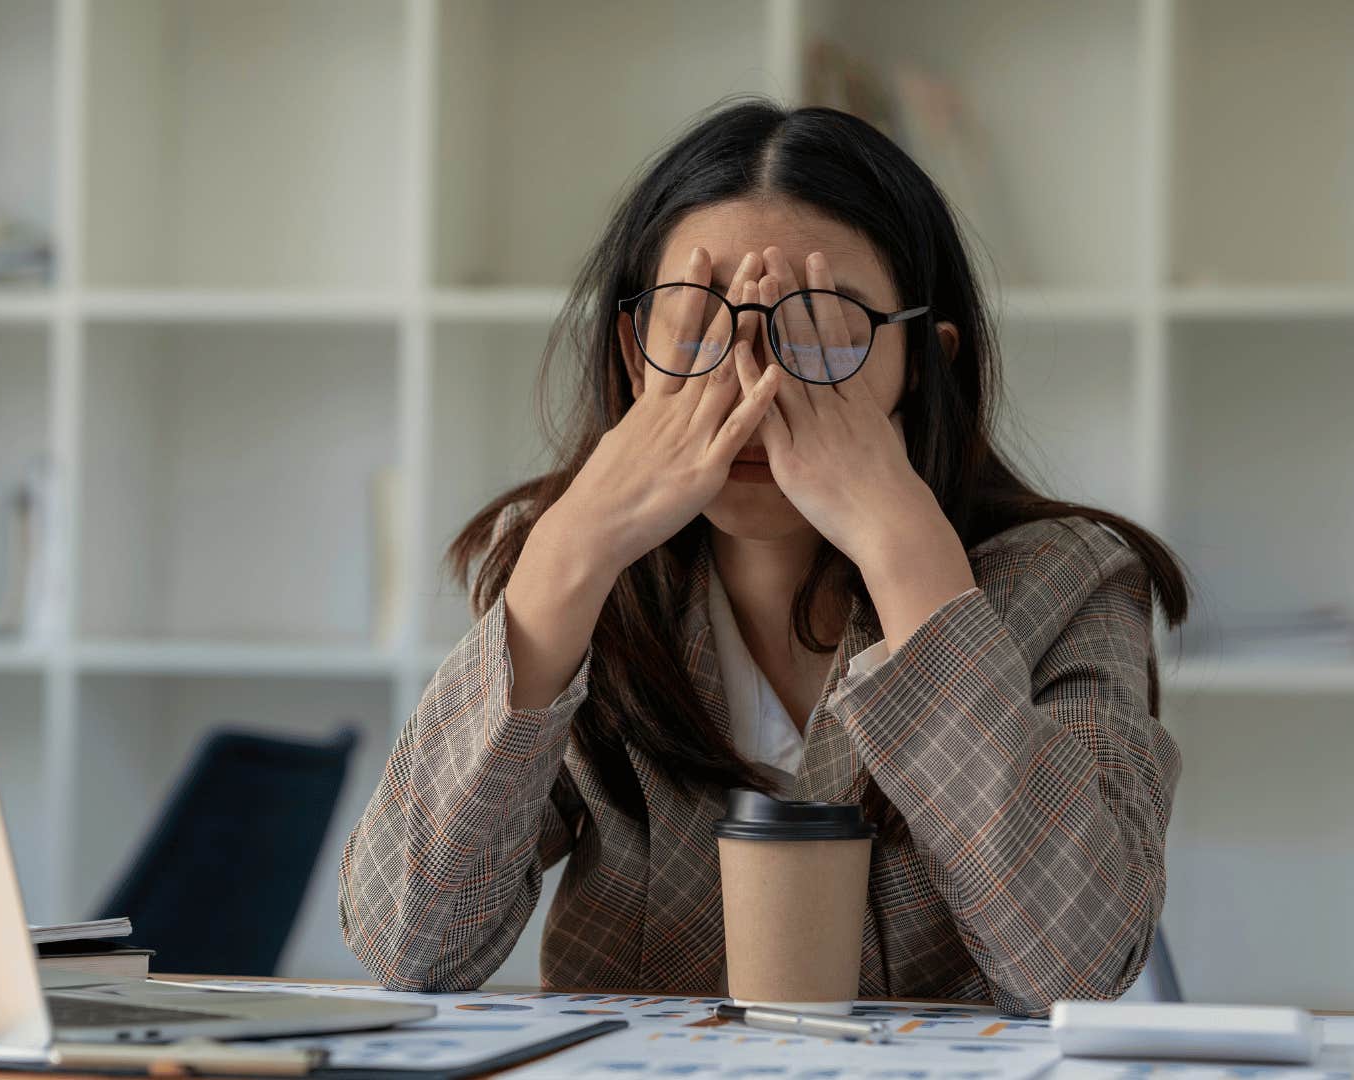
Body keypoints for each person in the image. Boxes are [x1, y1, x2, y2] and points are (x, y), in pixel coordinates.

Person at [339, 98, 1189, 1017]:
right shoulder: (576, 578)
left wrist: (910, 560)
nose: (751, 381)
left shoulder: (1071, 582)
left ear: (925, 364)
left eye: (820, 328)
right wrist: (568, 554)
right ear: (634, 354)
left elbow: (1078, 967)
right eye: (698, 323)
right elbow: (406, 946)